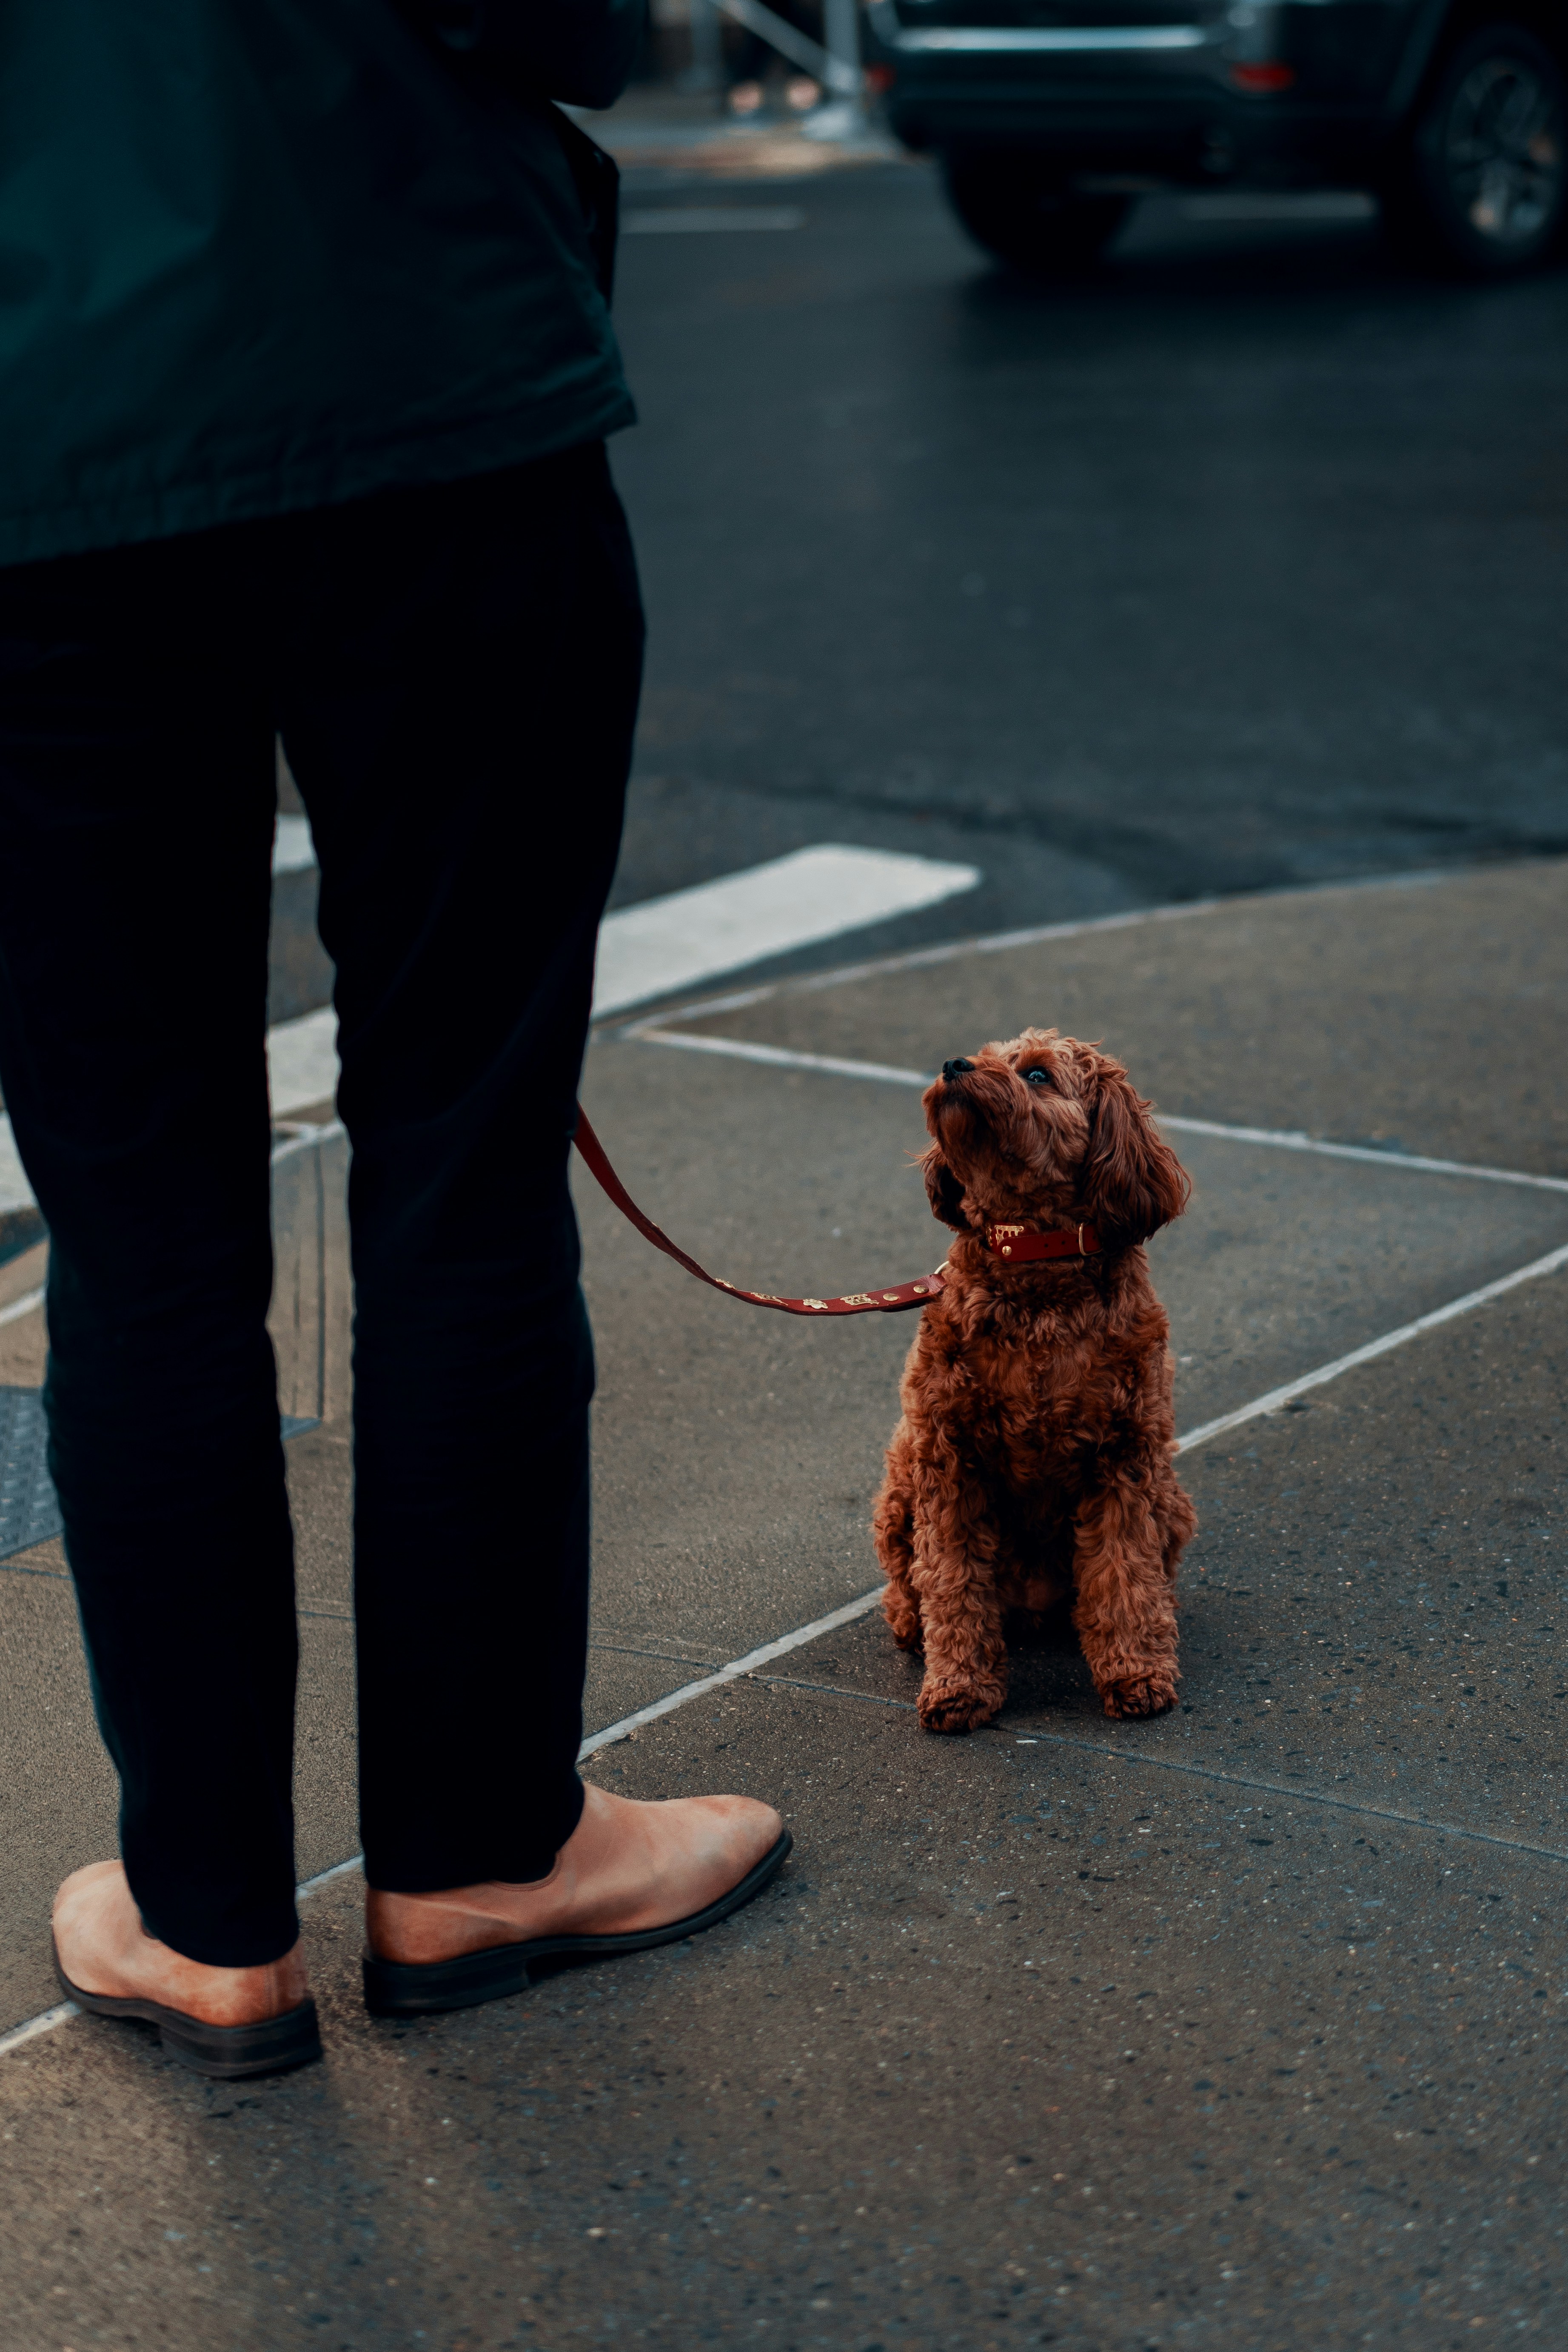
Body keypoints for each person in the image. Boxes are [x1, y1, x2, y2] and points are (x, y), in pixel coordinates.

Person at [0, 0, 784, 2081]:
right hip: (423, 381)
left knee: (138, 1212)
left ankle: (204, 1923)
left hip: (40, 455)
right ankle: (481, 1852)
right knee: (460, 1147)